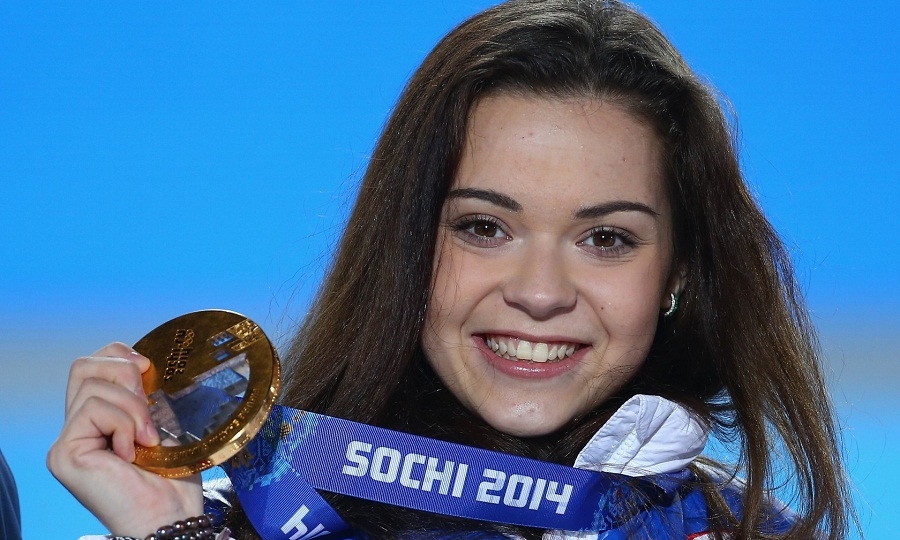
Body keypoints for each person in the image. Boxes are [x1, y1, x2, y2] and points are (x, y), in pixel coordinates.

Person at [47, 1, 855, 538]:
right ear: (409, 243)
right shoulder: (237, 522)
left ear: (679, 271)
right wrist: (170, 530)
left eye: (606, 238)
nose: (539, 293)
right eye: (484, 228)